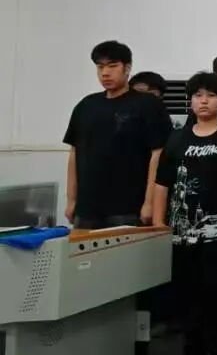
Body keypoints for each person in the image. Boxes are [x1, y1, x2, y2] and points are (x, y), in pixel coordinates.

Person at [153, 72, 217, 355]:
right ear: (190, 101)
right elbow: (162, 183)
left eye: (211, 95)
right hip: (181, 238)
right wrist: (158, 222)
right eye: (198, 95)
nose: (204, 101)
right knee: (187, 306)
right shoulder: (176, 139)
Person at [64, 40, 171, 228]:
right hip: (87, 208)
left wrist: (150, 202)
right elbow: (74, 152)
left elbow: (158, 155)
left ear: (127, 68)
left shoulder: (147, 105)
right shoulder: (86, 105)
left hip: (129, 208)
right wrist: (71, 199)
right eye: (100, 67)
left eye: (112, 66)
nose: (105, 73)